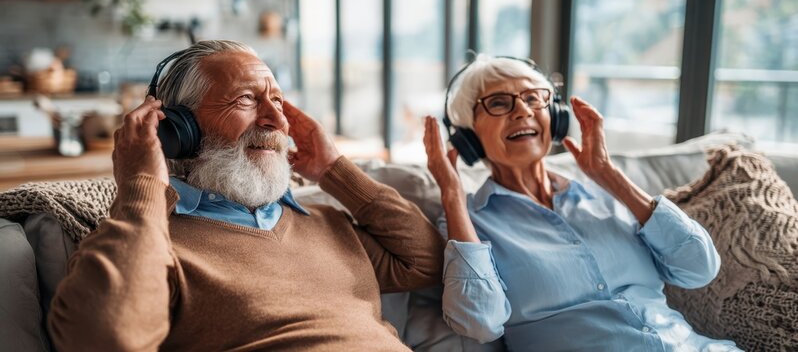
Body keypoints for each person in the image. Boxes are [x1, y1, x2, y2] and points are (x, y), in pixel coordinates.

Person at [48, 40, 445, 351]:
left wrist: (333, 170)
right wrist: (142, 187)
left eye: (277, 100)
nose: (276, 120)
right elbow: (107, 338)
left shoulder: (326, 223)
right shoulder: (150, 241)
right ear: (178, 129)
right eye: (247, 100)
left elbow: (427, 261)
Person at [422, 55, 740, 351]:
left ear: (555, 117)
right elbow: (479, 322)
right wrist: (451, 194)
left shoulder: (607, 195)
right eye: (498, 103)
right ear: (468, 135)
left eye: (534, 98)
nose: (523, 111)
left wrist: (608, 174)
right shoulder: (469, 222)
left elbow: (700, 268)